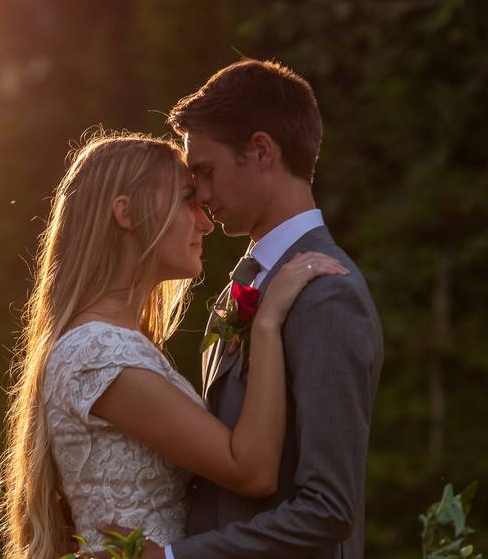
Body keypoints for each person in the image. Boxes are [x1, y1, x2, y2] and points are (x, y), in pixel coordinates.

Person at [0, 131, 346, 559]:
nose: (205, 222)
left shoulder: (112, 344)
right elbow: (251, 470)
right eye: (186, 200)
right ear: (125, 213)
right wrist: (268, 322)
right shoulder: (99, 353)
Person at [153, 59, 385, 559]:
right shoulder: (244, 284)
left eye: (207, 173)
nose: (203, 198)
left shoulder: (328, 297)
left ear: (261, 151)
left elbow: (328, 509)